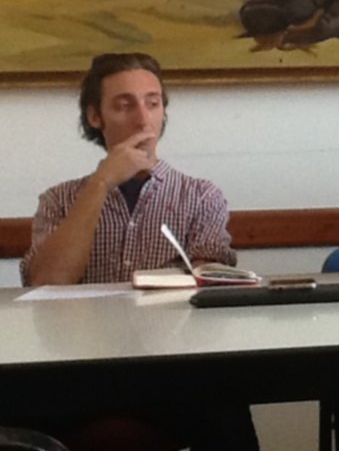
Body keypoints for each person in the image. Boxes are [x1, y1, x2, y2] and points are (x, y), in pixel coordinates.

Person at [19, 52, 259, 451]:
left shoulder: (200, 195)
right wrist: (101, 184)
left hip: (166, 367)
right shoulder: (60, 199)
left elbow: (210, 284)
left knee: (225, 396)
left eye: (153, 102)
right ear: (95, 117)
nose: (143, 119)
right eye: (124, 105)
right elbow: (48, 281)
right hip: (80, 368)